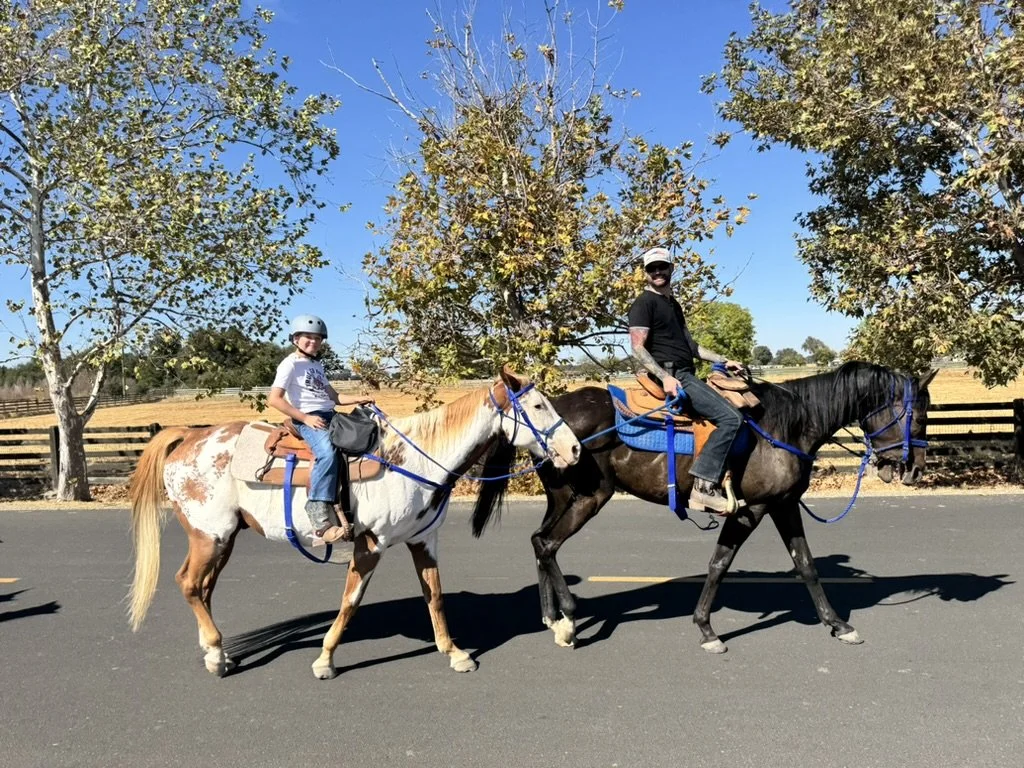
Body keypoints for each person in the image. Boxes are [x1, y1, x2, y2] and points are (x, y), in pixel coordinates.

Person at [627, 247, 745, 514]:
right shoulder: (644, 303)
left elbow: (692, 347)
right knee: (731, 419)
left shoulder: (673, 305)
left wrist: (724, 360)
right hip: (673, 376)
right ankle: (703, 488)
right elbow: (637, 348)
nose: (657, 272)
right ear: (646, 274)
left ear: (671, 268)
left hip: (685, 371)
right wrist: (665, 377)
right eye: (651, 268)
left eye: (661, 267)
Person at [268, 314, 374, 543]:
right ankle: (318, 514)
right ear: (296, 338)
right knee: (327, 452)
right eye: (307, 337)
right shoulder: (290, 364)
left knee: (367, 431)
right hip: (308, 418)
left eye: (317, 338)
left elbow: (333, 397)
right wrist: (305, 418)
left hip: (330, 414)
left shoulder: (316, 364)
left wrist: (358, 399)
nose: (313, 342)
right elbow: (274, 399)